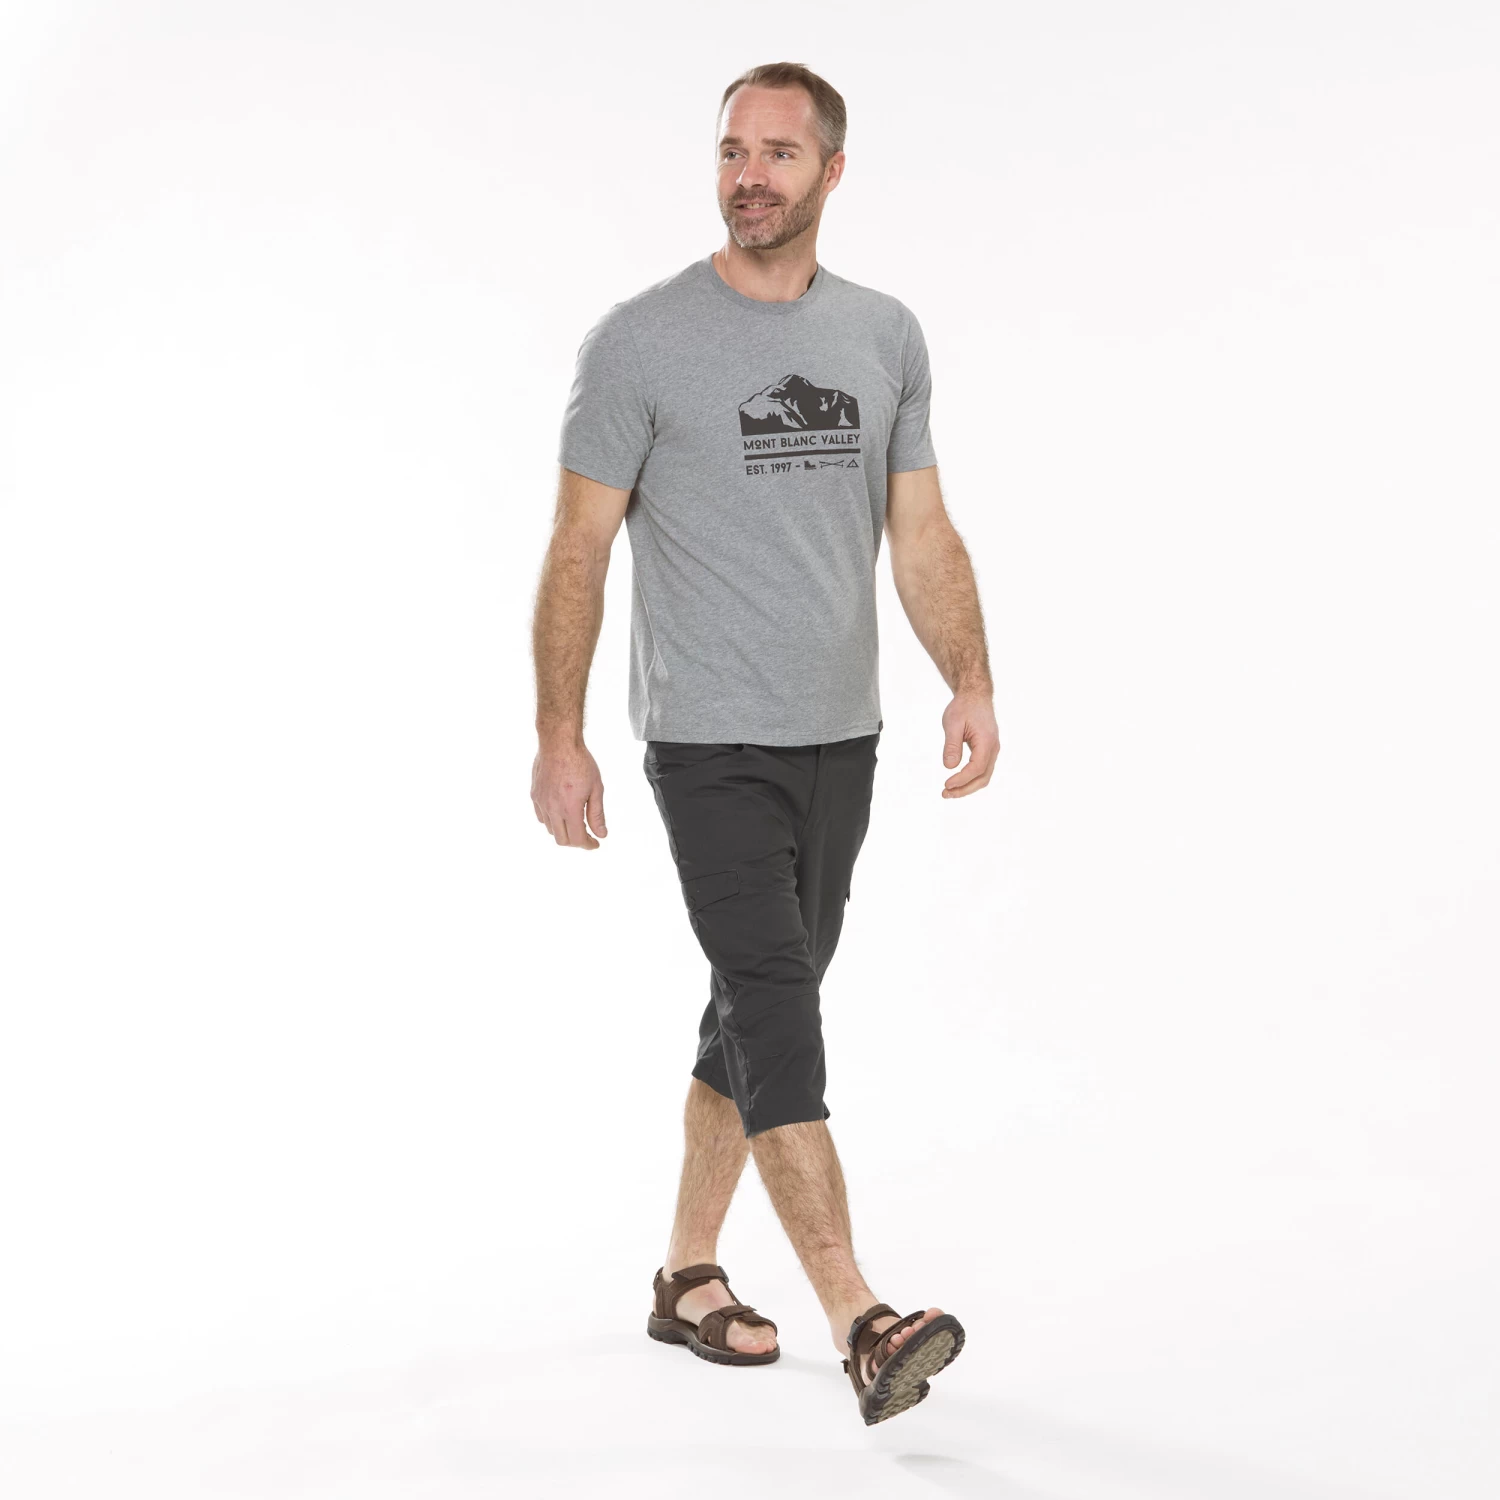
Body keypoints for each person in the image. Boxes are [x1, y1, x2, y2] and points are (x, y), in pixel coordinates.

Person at [529, 61, 999, 1426]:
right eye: (733, 150)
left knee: (748, 1013)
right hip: (708, 741)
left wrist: (969, 677)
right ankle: (862, 1317)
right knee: (781, 1013)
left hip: (841, 737)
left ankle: (687, 1276)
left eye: (779, 155)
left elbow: (921, 528)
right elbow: (577, 547)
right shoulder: (640, 342)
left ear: (830, 173)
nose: (750, 175)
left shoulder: (884, 336)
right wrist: (560, 733)